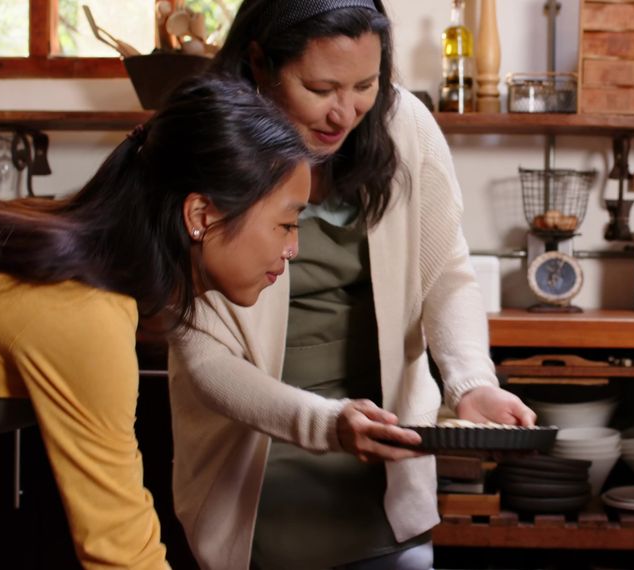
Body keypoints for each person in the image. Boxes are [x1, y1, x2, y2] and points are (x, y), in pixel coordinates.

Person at [166, 0, 537, 568]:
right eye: (320, 88)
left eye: (366, 84)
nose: (346, 112)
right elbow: (204, 358)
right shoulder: (207, 150)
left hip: (384, 461)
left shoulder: (404, 125)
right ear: (261, 64)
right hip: (255, 466)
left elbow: (447, 274)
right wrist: (326, 423)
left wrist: (469, 383)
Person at [0, 75, 316, 569]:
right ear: (201, 215)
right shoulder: (83, 313)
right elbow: (121, 553)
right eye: (286, 223)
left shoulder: (84, 268)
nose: (292, 249)